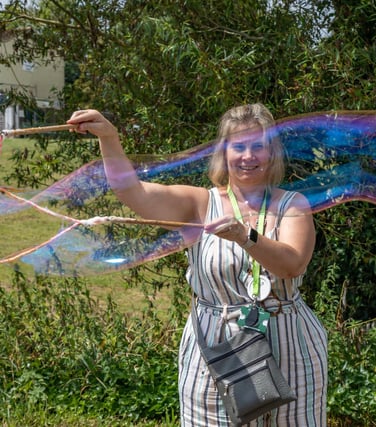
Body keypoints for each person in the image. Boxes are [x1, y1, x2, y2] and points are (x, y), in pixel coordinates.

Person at [67, 104, 328, 426]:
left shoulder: (292, 205)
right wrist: (109, 137)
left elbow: (292, 265)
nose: (248, 156)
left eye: (258, 146)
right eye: (239, 146)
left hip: (289, 341)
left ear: (272, 153)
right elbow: (132, 192)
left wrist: (245, 236)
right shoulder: (200, 203)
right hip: (216, 346)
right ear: (224, 152)